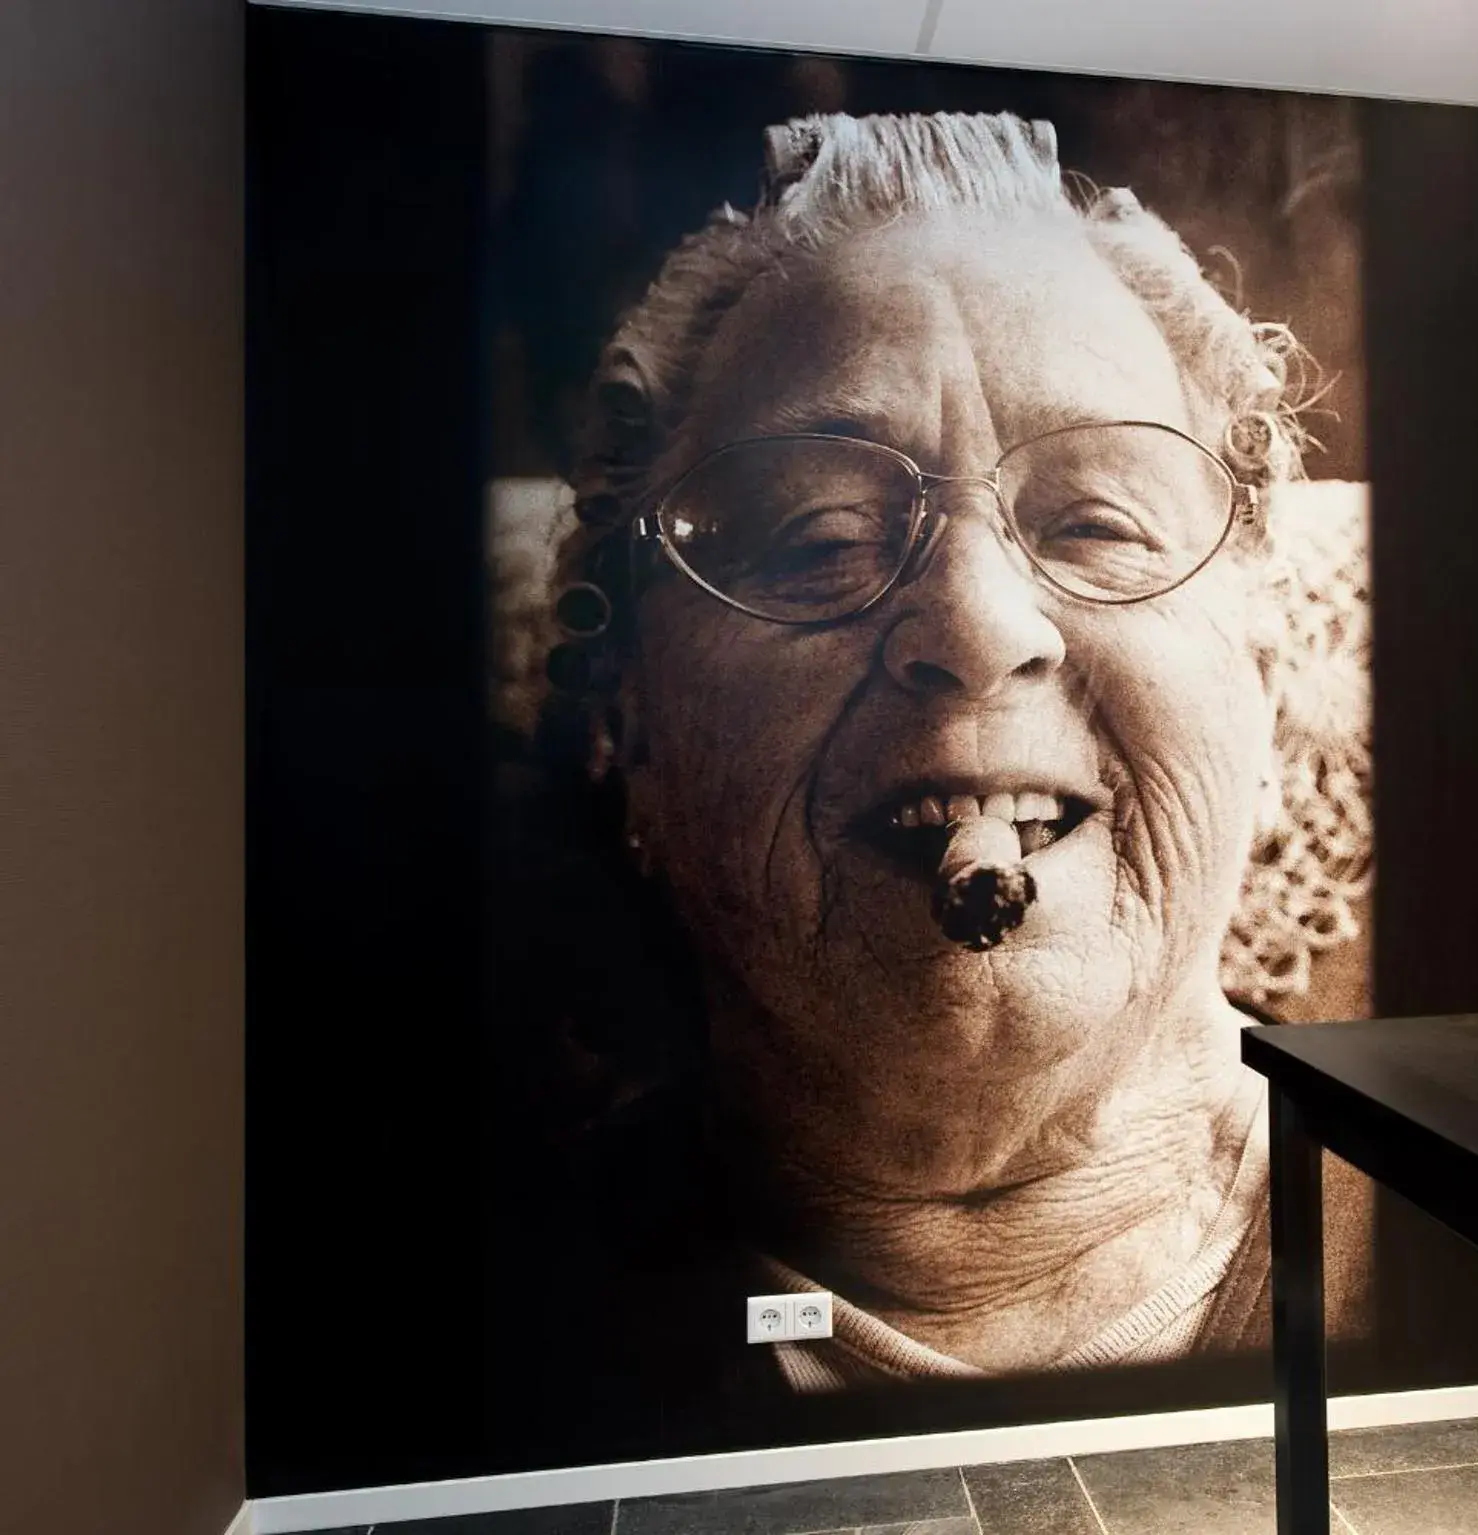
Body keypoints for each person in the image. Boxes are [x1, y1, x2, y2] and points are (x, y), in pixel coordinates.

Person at [512, 110, 1369, 1395]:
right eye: (816, 537)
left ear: (1259, 672)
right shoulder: (455, 1320)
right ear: (630, 711)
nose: (975, 626)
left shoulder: (1474, 1233)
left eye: (1094, 523)